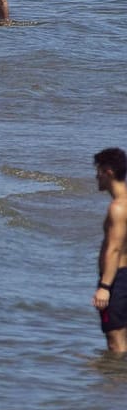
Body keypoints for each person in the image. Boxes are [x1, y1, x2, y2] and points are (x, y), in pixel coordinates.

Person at [93, 147, 127, 353]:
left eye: (97, 170)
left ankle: (113, 381)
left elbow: (114, 249)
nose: (95, 176)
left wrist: (105, 287)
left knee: (115, 340)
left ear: (108, 172)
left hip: (117, 280)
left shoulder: (117, 208)